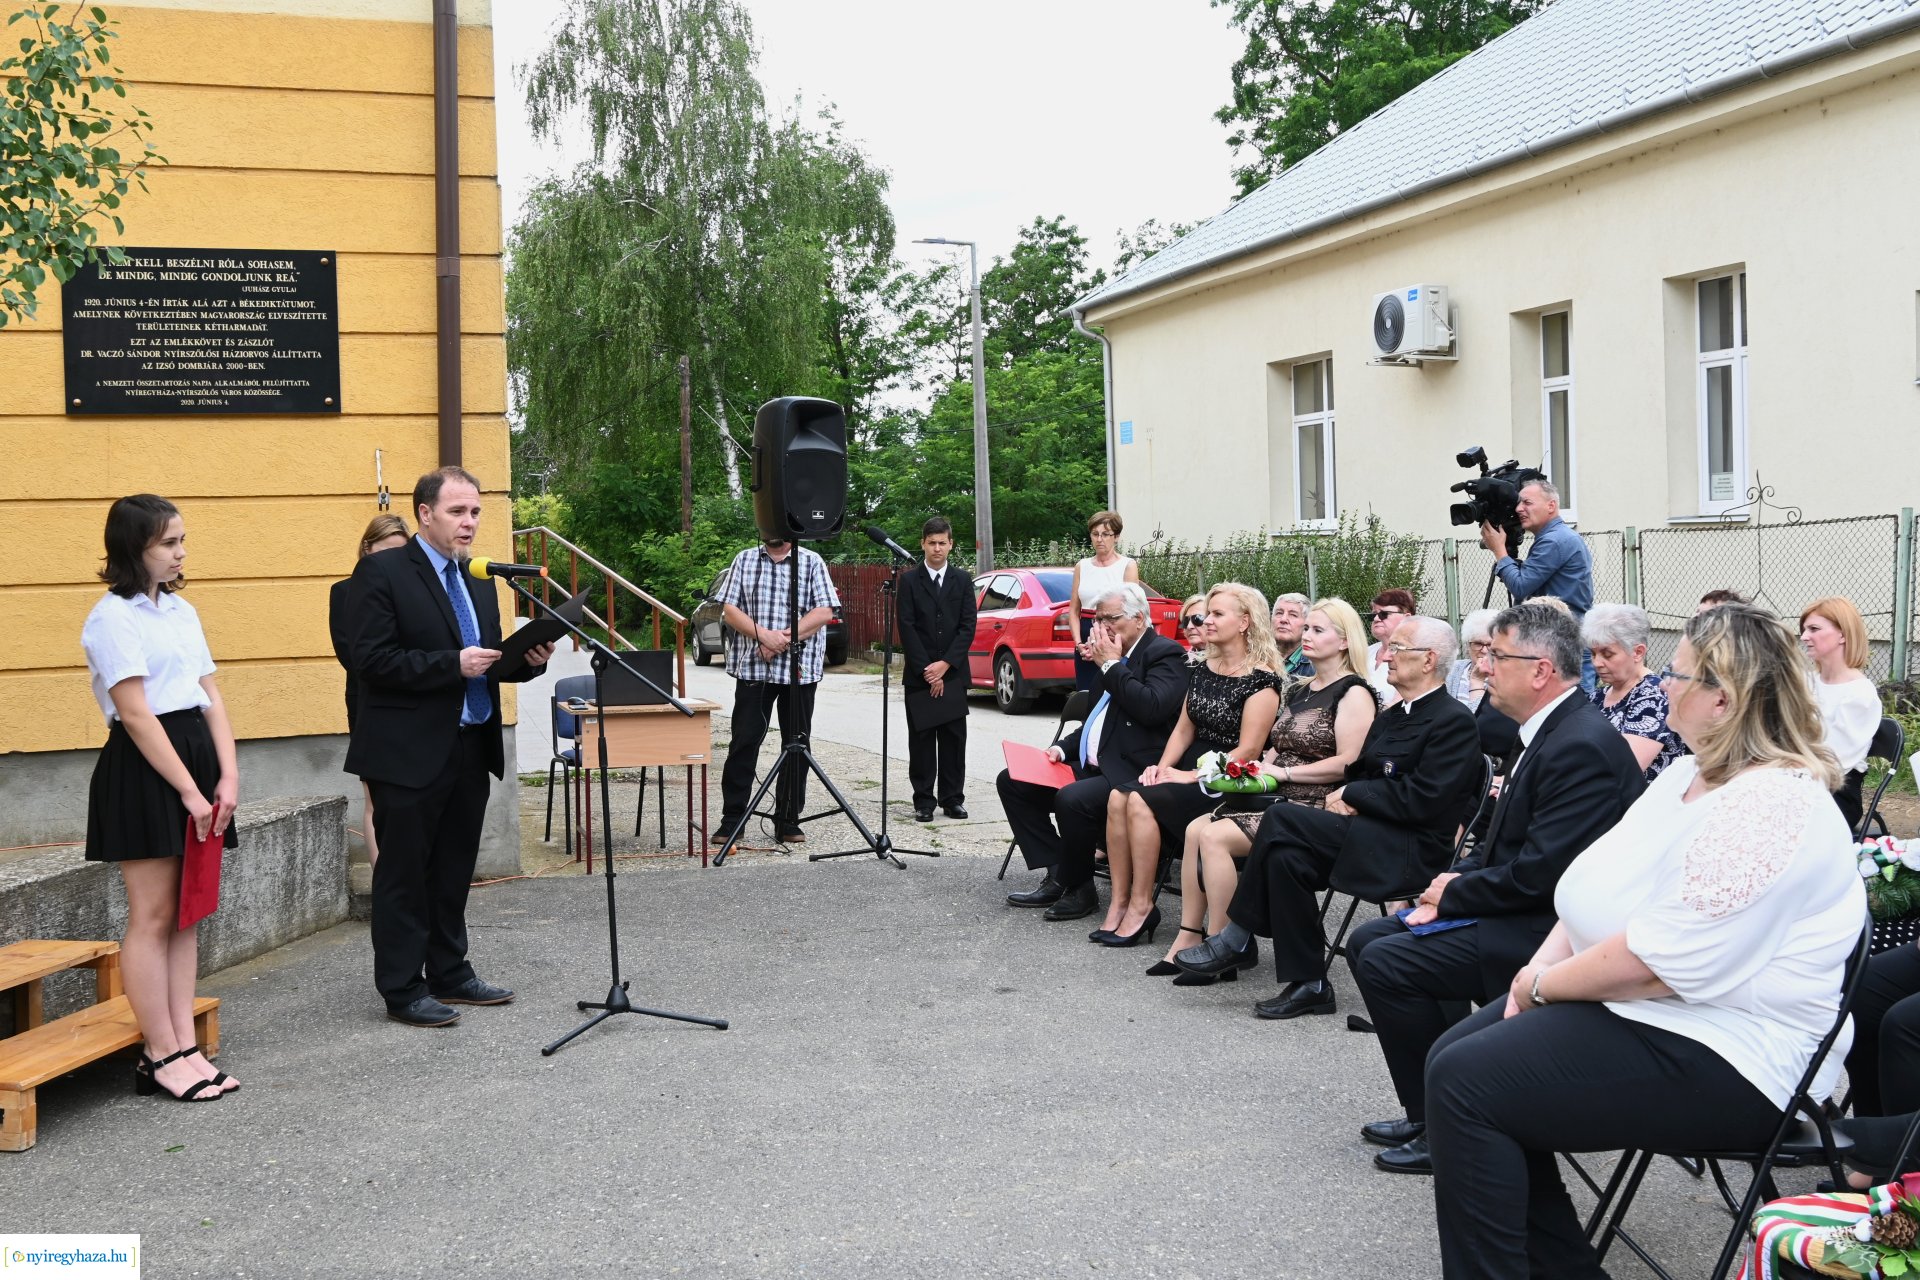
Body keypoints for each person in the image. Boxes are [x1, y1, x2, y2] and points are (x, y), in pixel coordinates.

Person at [1421, 603, 1863, 1279]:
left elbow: (1661, 964)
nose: (1660, 684)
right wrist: (1537, 972)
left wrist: (1535, 986)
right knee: (1456, 1057)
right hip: (1653, 1008)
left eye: (1676, 673)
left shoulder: (1773, 805)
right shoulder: (1690, 775)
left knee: (1469, 1081)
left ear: (1724, 697)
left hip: (1739, 1050)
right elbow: (1592, 886)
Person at [1345, 603, 1647, 1175]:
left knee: (1388, 959)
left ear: (1539, 671)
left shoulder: (1578, 743)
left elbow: (1542, 877)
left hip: (1551, 933)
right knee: (1371, 942)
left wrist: (1451, 895)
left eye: (1495, 657)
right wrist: (1453, 882)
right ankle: (1429, 1109)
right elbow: (1505, 845)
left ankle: (1447, 1123)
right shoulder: (1547, 729)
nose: (1481, 670)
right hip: (1523, 906)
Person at [1173, 615, 1483, 1018]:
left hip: (1406, 849)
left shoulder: (1453, 721)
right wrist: (1357, 791)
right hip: (1366, 833)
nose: (1385, 655)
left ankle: (1237, 935)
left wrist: (1356, 794)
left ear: (1428, 660)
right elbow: (1364, 770)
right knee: (1287, 858)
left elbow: (1423, 800)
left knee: (1281, 820)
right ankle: (1310, 984)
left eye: (1397, 649)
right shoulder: (1393, 715)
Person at [345, 467, 554, 1028]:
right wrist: (449, 665)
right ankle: (402, 987)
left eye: (476, 512)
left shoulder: (478, 577)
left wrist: (525, 665)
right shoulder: (383, 572)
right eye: (458, 512)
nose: (470, 523)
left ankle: (450, 971)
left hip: (469, 743)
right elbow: (370, 660)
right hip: (408, 752)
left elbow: (486, 664)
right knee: (404, 874)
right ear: (425, 514)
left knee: (454, 867)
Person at [81, 494, 241, 1101]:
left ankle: (184, 1045)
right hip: (148, 769)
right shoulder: (111, 617)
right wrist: (188, 791)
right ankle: (160, 1051)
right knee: (151, 916)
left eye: (181, 540)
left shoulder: (179, 611)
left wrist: (227, 777)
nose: (181, 553)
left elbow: (211, 697)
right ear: (134, 548)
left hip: (196, 758)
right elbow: (136, 714)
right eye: (168, 543)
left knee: (188, 910)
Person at [1153, 598, 1376, 983]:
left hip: (1316, 805)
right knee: (1194, 829)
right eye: (1307, 628)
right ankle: (1189, 937)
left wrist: (1280, 773)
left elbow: (1348, 763)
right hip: (1274, 794)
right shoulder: (1303, 689)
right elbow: (1277, 746)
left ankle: (1226, 943)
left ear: (1343, 641)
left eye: (1317, 630)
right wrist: (1252, 769)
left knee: (1215, 836)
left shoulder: (1353, 692)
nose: (1306, 635)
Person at [1096, 583, 1283, 949]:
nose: (1205, 621)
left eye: (1216, 614)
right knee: (1119, 796)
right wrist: (1160, 767)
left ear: (1244, 622)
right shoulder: (1203, 666)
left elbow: (1248, 750)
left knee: (1138, 800)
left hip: (1224, 780)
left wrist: (1190, 775)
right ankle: (1121, 901)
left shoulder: (1262, 680)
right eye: (1206, 614)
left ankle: (1142, 903)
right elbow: (1183, 729)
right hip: (1186, 765)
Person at [998, 584, 1188, 920]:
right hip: (1094, 763)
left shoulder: (1164, 654)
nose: (1100, 627)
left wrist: (1113, 666)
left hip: (1132, 770)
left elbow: (1152, 709)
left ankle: (1081, 889)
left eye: (1110, 619)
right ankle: (1060, 871)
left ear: (1139, 618)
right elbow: (1095, 720)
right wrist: (1061, 747)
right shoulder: (1108, 656)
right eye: (1097, 619)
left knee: (1073, 799)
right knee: (1013, 781)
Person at [713, 532, 840, 846]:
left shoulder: (811, 561)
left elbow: (824, 611)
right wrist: (762, 636)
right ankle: (732, 820)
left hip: (800, 672)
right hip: (754, 668)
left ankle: (788, 820)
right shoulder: (744, 559)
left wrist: (781, 639)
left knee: (796, 746)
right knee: (743, 742)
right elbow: (730, 610)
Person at [330, 513, 410, 869]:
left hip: (414, 703)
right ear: (367, 548)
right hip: (369, 702)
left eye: (400, 554)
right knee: (375, 794)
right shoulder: (345, 591)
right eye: (384, 552)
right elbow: (352, 656)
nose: (392, 562)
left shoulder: (414, 592)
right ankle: (384, 880)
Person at [1478, 478, 1595, 687]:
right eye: (1518, 503)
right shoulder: (1555, 536)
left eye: (1527, 503)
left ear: (1551, 506)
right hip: (1558, 637)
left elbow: (1521, 586)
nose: (1519, 509)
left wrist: (1499, 551)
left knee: (1571, 711)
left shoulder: (1554, 540)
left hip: (1563, 641)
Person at [897, 517, 976, 822]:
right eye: (932, 543)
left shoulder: (962, 579)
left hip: (953, 671)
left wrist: (945, 666)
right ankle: (924, 800)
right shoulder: (909, 581)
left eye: (943, 542)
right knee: (922, 739)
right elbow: (906, 626)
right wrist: (927, 670)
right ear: (923, 544)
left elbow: (968, 626)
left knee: (954, 740)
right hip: (920, 673)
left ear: (951, 544)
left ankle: (952, 798)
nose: (937, 548)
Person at [1581, 602, 1687, 781]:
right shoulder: (1597, 696)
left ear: (1637, 652)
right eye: (1593, 654)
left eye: (1607, 654)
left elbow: (1624, 766)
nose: (1597, 662)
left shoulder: (1654, 698)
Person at [1801, 596, 1881, 832]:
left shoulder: (1859, 694)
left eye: (1814, 629)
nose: (1804, 636)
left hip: (1834, 797)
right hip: (1799, 783)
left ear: (1843, 634)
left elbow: (1833, 764)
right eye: (1804, 629)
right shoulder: (1808, 682)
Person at [1070, 511, 1140, 691]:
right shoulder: (1082, 566)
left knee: (1112, 691)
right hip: (1086, 636)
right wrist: (1079, 644)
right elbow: (1074, 611)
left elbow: (1131, 609)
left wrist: (1112, 642)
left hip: (1114, 633)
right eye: (1095, 534)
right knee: (1086, 693)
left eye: (1106, 534)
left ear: (1116, 537)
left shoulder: (1127, 565)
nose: (1100, 539)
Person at [1365, 589, 1417, 707]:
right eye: (1373, 614)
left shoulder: (1414, 653)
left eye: (1384, 614)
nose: (1376, 619)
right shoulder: (1367, 652)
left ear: (1406, 617)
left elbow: (1402, 700)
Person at [1444, 608, 1499, 711]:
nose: (1484, 650)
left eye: (1490, 644)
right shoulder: (1453, 669)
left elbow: (1481, 718)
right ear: (1467, 645)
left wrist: (1477, 680)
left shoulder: (1505, 677)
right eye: (1478, 643)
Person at [1272, 592, 1314, 678]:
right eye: (1279, 613)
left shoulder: (1314, 667)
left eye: (1293, 615)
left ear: (1306, 625)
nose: (1283, 619)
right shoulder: (1256, 658)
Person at [1177, 593, 1208, 661]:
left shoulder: (1229, 662)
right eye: (1186, 621)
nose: (1189, 626)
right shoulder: (1179, 660)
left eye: (1197, 619)